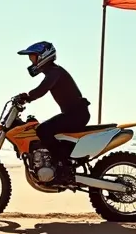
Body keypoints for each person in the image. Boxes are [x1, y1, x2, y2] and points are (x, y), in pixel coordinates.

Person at [14, 41, 91, 183]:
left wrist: (27, 97)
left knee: (43, 130)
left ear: (44, 56)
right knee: (44, 129)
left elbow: (42, 89)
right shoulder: (53, 72)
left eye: (33, 57)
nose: (31, 61)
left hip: (76, 115)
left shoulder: (55, 72)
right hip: (74, 114)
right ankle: (57, 161)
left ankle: (62, 165)